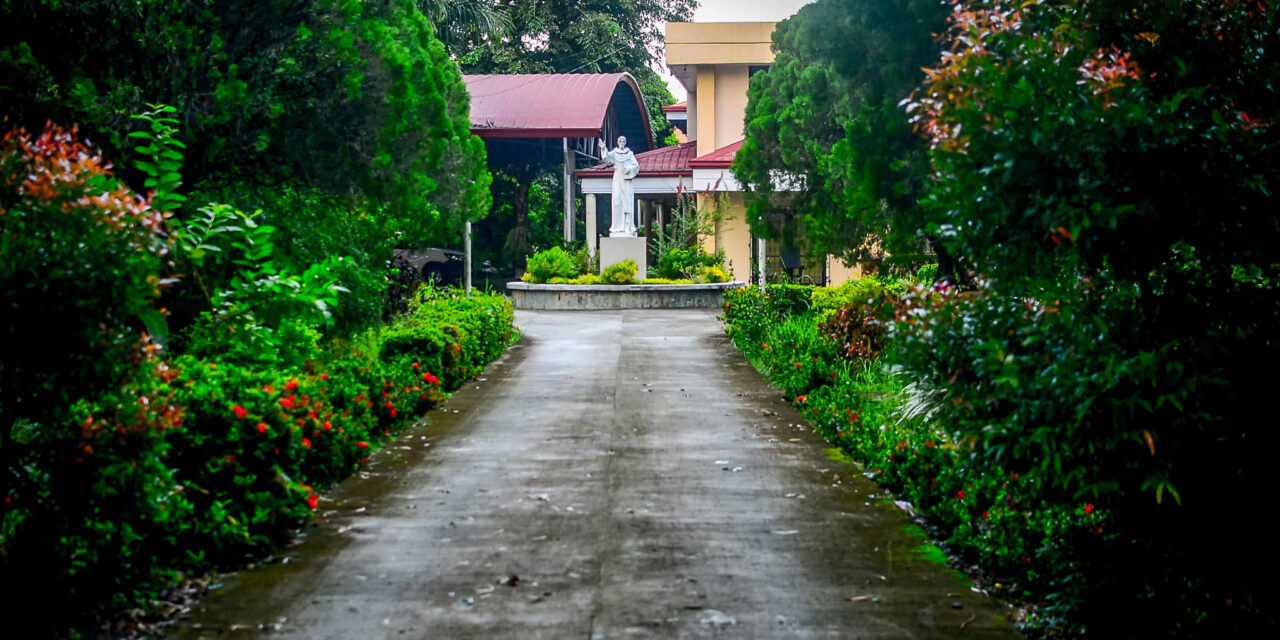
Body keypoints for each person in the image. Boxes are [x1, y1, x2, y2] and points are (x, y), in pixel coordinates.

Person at [598, 135, 640, 236]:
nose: (622, 142)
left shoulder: (629, 154)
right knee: (617, 201)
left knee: (627, 201)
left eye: (623, 141)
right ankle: (617, 226)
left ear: (625, 142)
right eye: (620, 140)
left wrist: (629, 169)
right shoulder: (615, 152)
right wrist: (603, 148)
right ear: (618, 142)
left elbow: (636, 165)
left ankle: (627, 225)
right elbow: (607, 158)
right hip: (617, 178)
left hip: (626, 180)